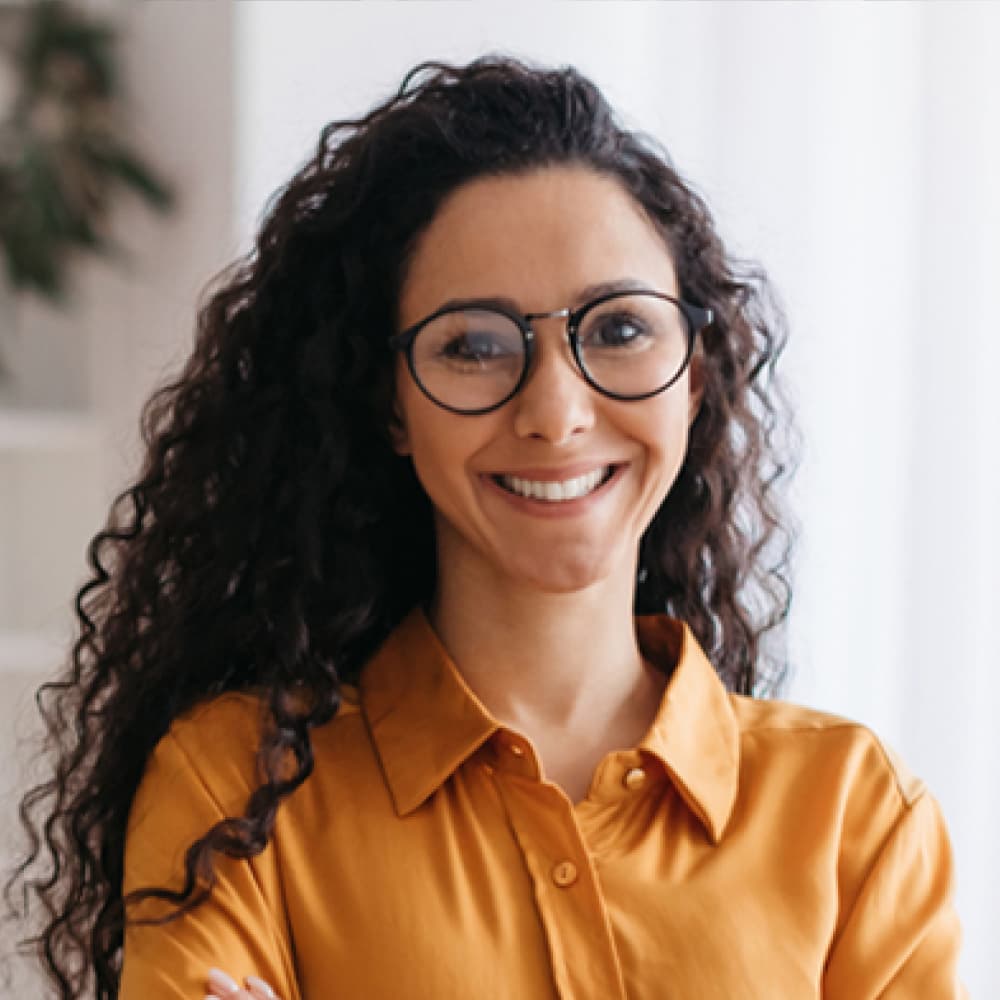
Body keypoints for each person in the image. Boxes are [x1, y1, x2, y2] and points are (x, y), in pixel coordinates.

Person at [4, 56, 965, 1000]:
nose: (556, 411)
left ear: (696, 380)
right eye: (474, 345)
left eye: (619, 330)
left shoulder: (855, 819)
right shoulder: (237, 797)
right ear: (390, 404)